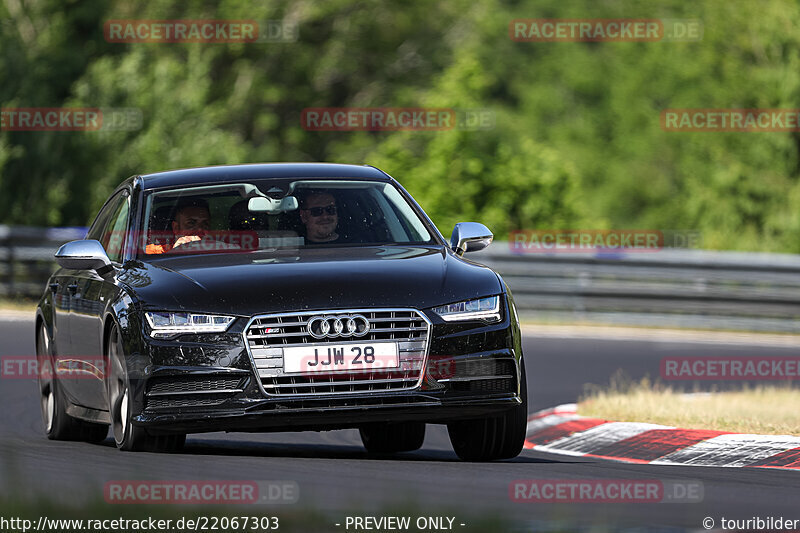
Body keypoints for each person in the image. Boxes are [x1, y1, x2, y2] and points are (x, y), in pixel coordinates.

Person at [145, 198, 211, 254]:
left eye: (205, 223)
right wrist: (175, 251)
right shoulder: (156, 253)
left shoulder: (218, 250)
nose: (200, 229)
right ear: (176, 228)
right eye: (191, 223)